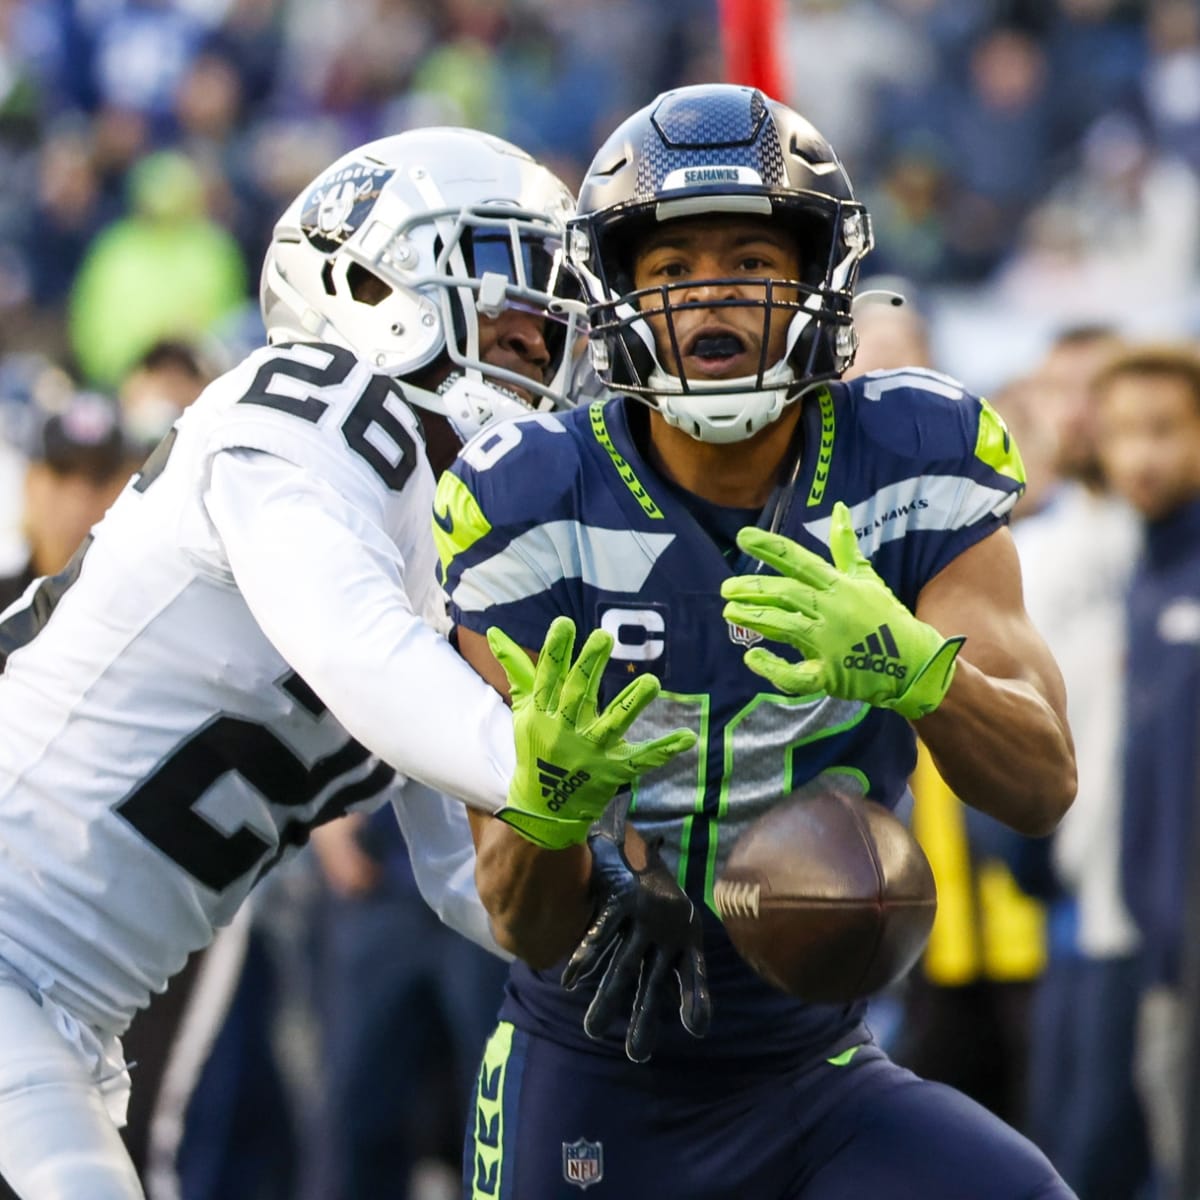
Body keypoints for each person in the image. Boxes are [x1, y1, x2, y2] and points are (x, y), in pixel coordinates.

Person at [0, 126, 694, 1200]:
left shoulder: (446, 527)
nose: (541, 320)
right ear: (371, 282)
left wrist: (622, 893)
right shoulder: (299, 413)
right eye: (507, 276)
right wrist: (539, 773)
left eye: (554, 296)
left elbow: (467, 875)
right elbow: (358, 653)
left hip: (64, 1005)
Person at [437, 84, 1078, 1199]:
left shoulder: (915, 454)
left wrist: (920, 674)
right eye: (672, 270)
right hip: (597, 1065)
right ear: (616, 292)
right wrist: (549, 808)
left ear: (819, 278)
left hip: (815, 1068)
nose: (709, 299)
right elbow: (520, 922)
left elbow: (1042, 784)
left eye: (749, 259)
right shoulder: (533, 495)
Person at [1013, 326, 1151, 1200]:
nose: (1083, 411)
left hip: (1149, 900)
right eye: (1062, 389)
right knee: (1065, 1143)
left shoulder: (1162, 540)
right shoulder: (1028, 552)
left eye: (1097, 388)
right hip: (1067, 896)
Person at [1092, 342, 1200, 1199]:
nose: (1142, 455)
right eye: (1123, 432)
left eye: (1165, 429)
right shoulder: (1143, 573)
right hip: (1161, 959)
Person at [0, 389, 136, 613]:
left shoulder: (155, 614)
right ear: (31, 483)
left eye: (100, 479)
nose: (79, 502)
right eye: (61, 475)